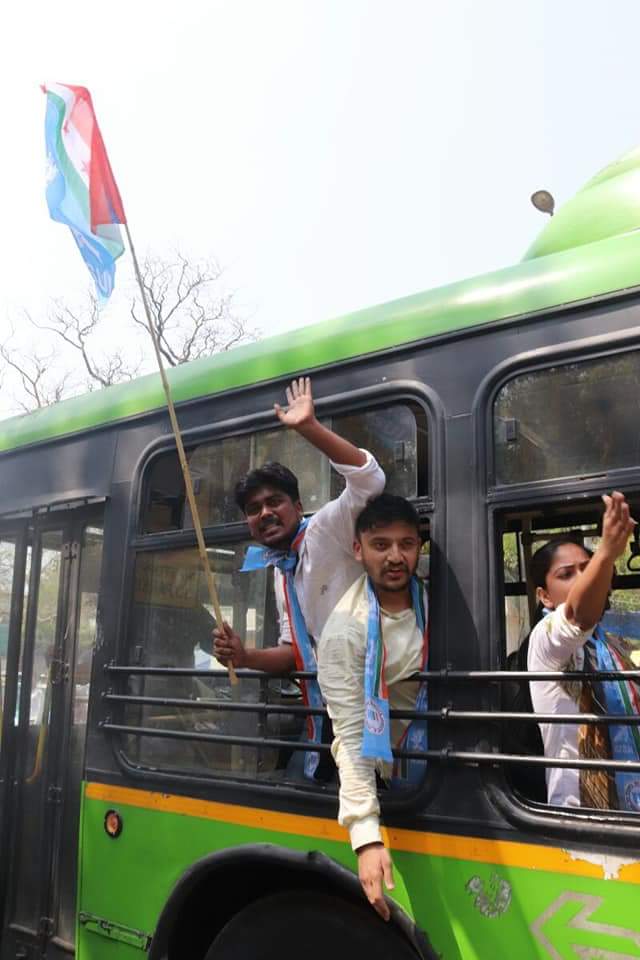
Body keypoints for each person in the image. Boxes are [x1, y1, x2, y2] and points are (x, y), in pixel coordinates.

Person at [212, 377, 385, 674]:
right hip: (336, 706)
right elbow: (295, 652)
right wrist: (244, 656)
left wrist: (309, 428)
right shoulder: (282, 571)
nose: (265, 513)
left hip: (377, 697)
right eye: (254, 509)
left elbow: (369, 479)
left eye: (274, 501)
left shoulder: (325, 529)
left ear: (298, 507)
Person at [317, 494, 428, 921]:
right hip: (398, 783)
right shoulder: (347, 632)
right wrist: (366, 837)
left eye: (406, 544)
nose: (396, 556)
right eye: (381, 545)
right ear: (359, 550)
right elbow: (352, 736)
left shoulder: (433, 603)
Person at [527, 491, 640, 810]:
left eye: (587, 569)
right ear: (545, 596)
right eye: (566, 575)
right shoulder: (545, 639)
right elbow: (577, 616)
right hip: (581, 815)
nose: (582, 579)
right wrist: (606, 552)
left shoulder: (614, 644)